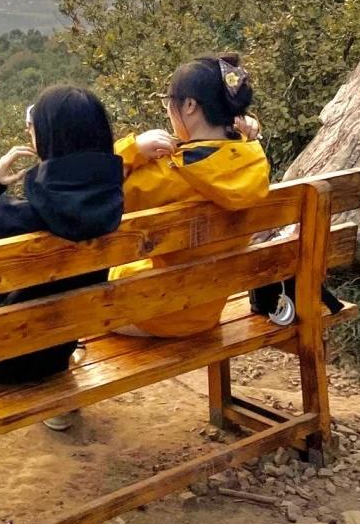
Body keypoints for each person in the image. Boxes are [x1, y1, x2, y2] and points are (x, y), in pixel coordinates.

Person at [0, 84, 124, 391]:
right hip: (56, 352)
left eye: (32, 125)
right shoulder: (118, 206)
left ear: (46, 138)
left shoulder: (9, 219)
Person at [110, 53, 270, 337]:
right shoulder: (254, 158)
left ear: (190, 105)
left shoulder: (166, 174)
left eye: (169, 102)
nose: (168, 110)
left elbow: (98, 195)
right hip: (209, 307)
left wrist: (131, 149)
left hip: (158, 314)